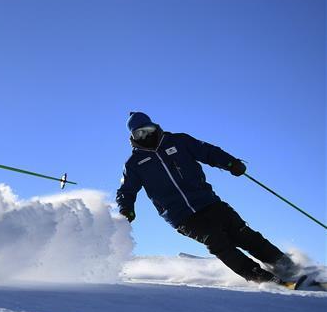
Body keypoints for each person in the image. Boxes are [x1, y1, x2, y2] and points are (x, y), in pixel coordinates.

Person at [116, 112, 300, 284]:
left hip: (208, 202)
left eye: (147, 131)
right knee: (216, 241)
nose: (144, 136)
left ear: (155, 127)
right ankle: (261, 277)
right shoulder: (134, 163)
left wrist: (230, 163)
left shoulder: (179, 141)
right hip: (181, 216)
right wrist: (126, 209)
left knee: (243, 234)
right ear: (133, 137)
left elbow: (207, 151)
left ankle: (288, 267)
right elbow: (126, 190)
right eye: (139, 134)